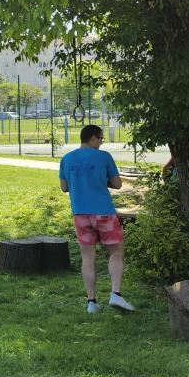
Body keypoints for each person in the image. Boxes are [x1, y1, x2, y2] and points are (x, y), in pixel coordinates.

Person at [59, 124, 135, 315]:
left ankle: (91, 302)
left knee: (87, 257)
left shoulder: (66, 159)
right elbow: (117, 184)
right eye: (101, 139)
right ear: (93, 138)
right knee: (116, 252)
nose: (101, 143)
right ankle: (116, 294)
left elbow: (64, 187)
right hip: (103, 212)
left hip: (80, 213)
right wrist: (103, 180)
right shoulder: (104, 157)